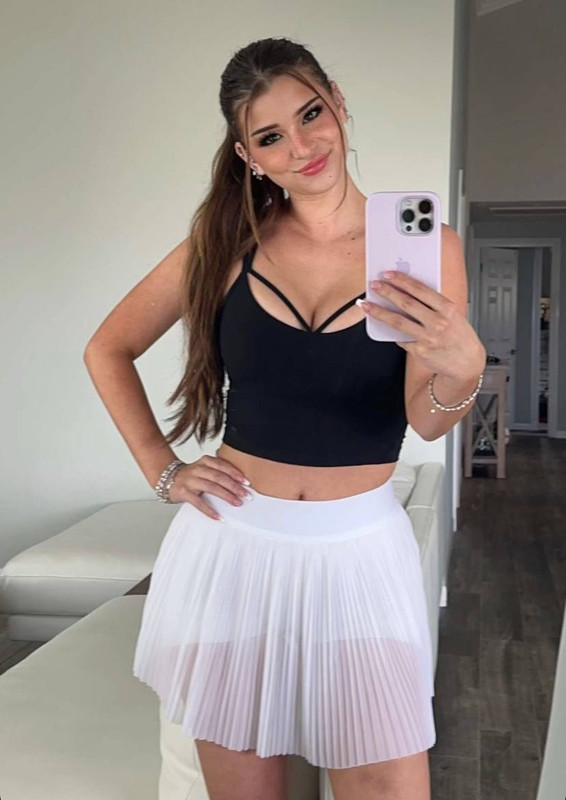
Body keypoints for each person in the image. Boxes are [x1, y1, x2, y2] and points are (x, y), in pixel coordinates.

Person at [84, 36, 486, 800]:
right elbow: (108, 347)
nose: (301, 147)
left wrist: (463, 371)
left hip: (360, 557)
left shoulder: (426, 247)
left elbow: (427, 420)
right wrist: (162, 470)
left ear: (338, 103)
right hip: (230, 551)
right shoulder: (223, 245)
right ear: (248, 155)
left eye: (310, 114)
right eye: (270, 136)